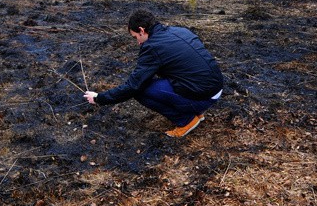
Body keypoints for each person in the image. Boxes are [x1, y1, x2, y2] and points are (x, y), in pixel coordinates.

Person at [84, 9, 223, 137]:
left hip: (203, 96)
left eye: (135, 37)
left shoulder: (152, 47)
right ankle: (197, 112)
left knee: (140, 90)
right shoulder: (180, 31)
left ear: (142, 30)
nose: (138, 42)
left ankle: (186, 120)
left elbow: (133, 86)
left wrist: (99, 98)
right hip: (216, 88)